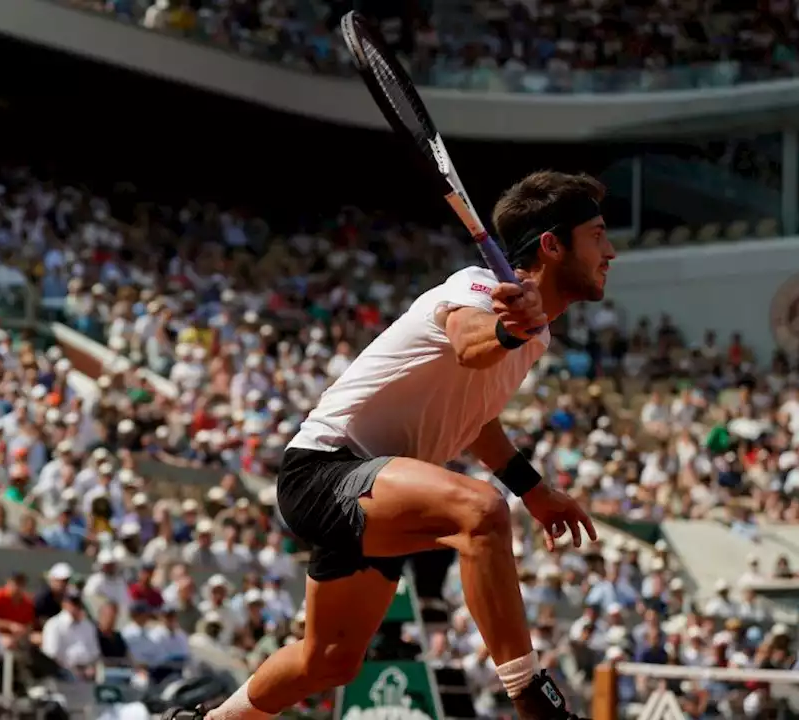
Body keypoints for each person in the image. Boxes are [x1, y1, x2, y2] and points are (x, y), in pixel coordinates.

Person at [203, 171, 615, 720]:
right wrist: (507, 331)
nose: (611, 252)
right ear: (552, 245)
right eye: (598, 235)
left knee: (328, 661)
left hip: (381, 486)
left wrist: (535, 491)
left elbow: (473, 420)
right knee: (480, 512)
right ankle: (532, 696)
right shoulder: (475, 286)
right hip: (325, 470)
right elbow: (472, 343)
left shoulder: (536, 333)